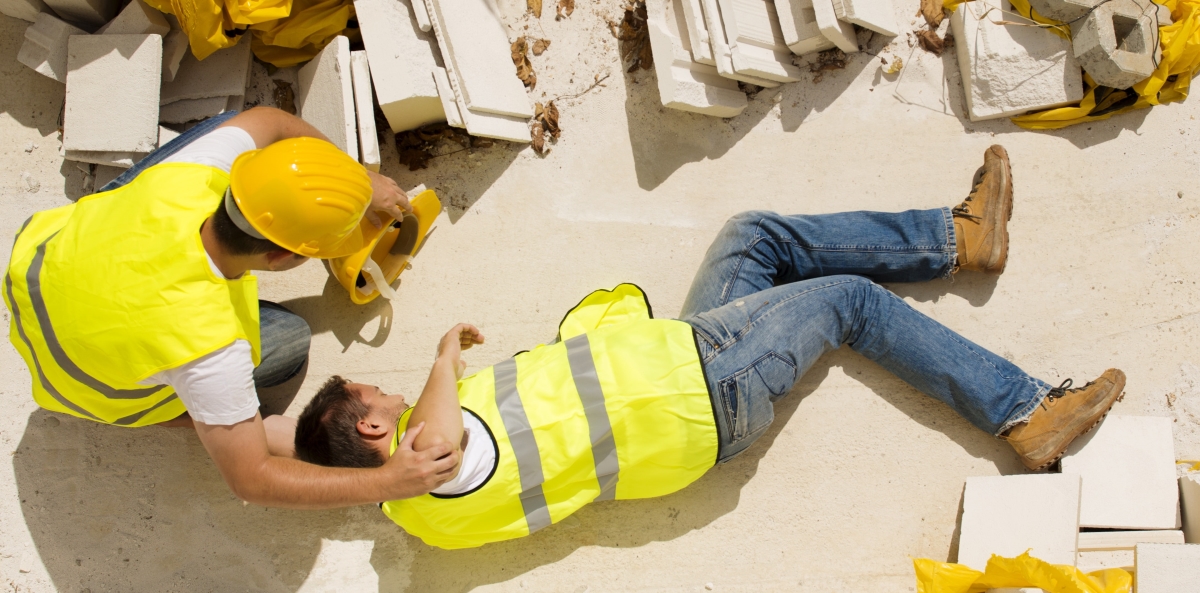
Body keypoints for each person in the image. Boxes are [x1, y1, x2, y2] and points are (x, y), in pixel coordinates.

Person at [293, 145, 1126, 548]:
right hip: (701, 391)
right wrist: (444, 356)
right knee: (848, 303)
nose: (395, 395)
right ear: (373, 432)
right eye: (379, 398)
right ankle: (1025, 410)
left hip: (677, 365)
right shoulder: (430, 469)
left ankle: (957, 237)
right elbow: (440, 440)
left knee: (751, 236)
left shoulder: (420, 517)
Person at [4, 107, 461, 508]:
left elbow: (274, 121)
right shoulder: (209, 344)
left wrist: (355, 182)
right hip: (84, 384)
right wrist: (388, 481)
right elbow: (252, 481)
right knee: (289, 339)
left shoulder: (190, 180)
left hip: (43, 275)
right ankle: (187, 415)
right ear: (283, 256)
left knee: (233, 128)